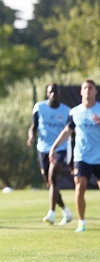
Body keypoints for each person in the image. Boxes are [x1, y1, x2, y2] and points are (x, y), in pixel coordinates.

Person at [50, 79, 100, 233]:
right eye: (85, 88)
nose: (87, 90)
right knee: (80, 187)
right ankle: (81, 222)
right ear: (81, 92)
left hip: (99, 157)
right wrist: (54, 147)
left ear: (95, 92)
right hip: (81, 157)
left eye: (90, 88)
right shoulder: (75, 112)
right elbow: (67, 131)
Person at [27, 83, 73, 226]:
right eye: (50, 92)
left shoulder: (67, 111)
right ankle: (66, 211)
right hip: (43, 149)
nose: (53, 94)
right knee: (51, 183)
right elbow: (33, 126)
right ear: (47, 94)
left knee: (53, 176)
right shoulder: (39, 107)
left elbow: (70, 132)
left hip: (60, 149)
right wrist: (31, 136)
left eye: (56, 92)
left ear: (60, 94)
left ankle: (51, 213)